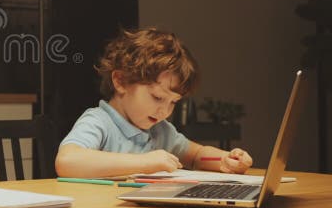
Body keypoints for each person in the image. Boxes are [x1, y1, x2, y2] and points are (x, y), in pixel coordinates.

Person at [55, 27, 253, 178]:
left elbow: (197, 155)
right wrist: (144, 163)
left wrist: (225, 159)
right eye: (157, 97)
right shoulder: (99, 122)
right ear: (121, 81)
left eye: (173, 102)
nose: (164, 111)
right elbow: (67, 161)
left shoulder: (160, 130)